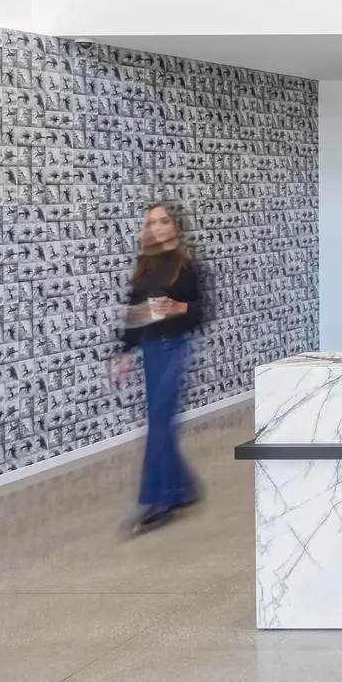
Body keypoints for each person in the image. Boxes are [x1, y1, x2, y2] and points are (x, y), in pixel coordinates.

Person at [113, 202, 202, 536]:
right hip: (151, 350)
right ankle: (183, 488)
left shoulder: (185, 266)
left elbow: (199, 312)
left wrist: (180, 307)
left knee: (159, 425)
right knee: (160, 422)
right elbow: (134, 312)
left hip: (174, 348)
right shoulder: (145, 267)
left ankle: (158, 501)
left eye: (164, 221)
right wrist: (124, 352)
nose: (157, 227)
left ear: (175, 226)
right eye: (151, 222)